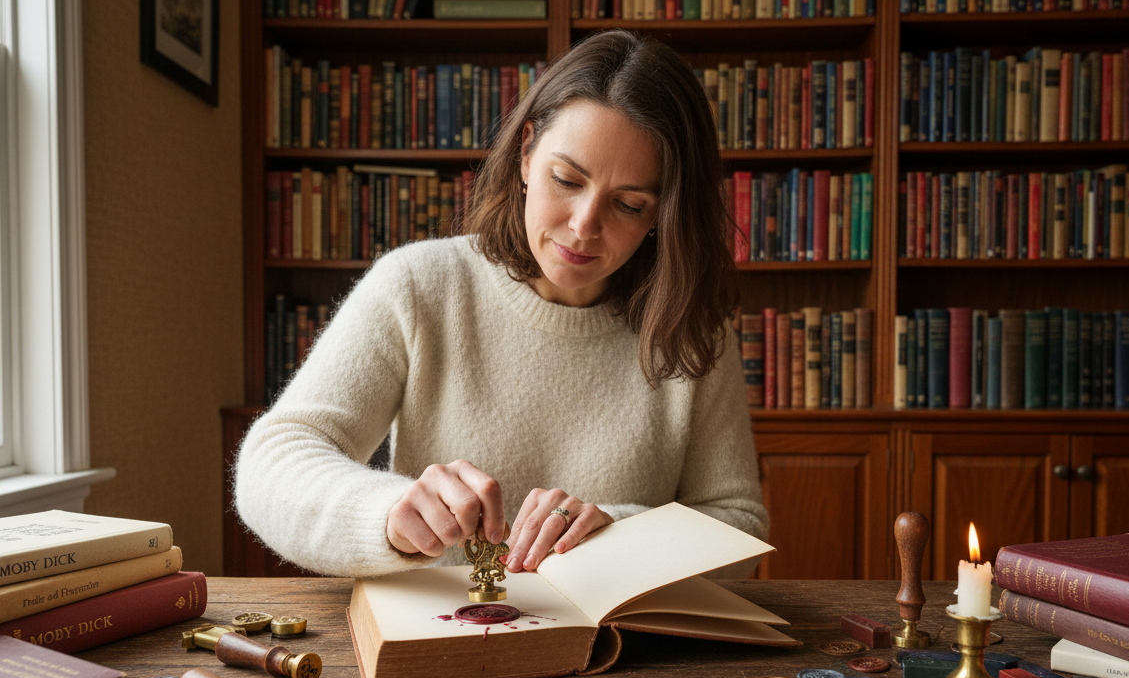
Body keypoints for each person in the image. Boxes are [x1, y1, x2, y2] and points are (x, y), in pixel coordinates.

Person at [233, 29, 767, 579]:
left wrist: (620, 532)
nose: (583, 226)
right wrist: (387, 514)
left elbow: (738, 525)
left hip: (624, 654)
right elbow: (272, 465)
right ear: (526, 154)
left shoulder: (691, 330)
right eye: (566, 179)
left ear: (663, 215)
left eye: (629, 204)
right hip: (439, 636)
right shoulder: (419, 285)